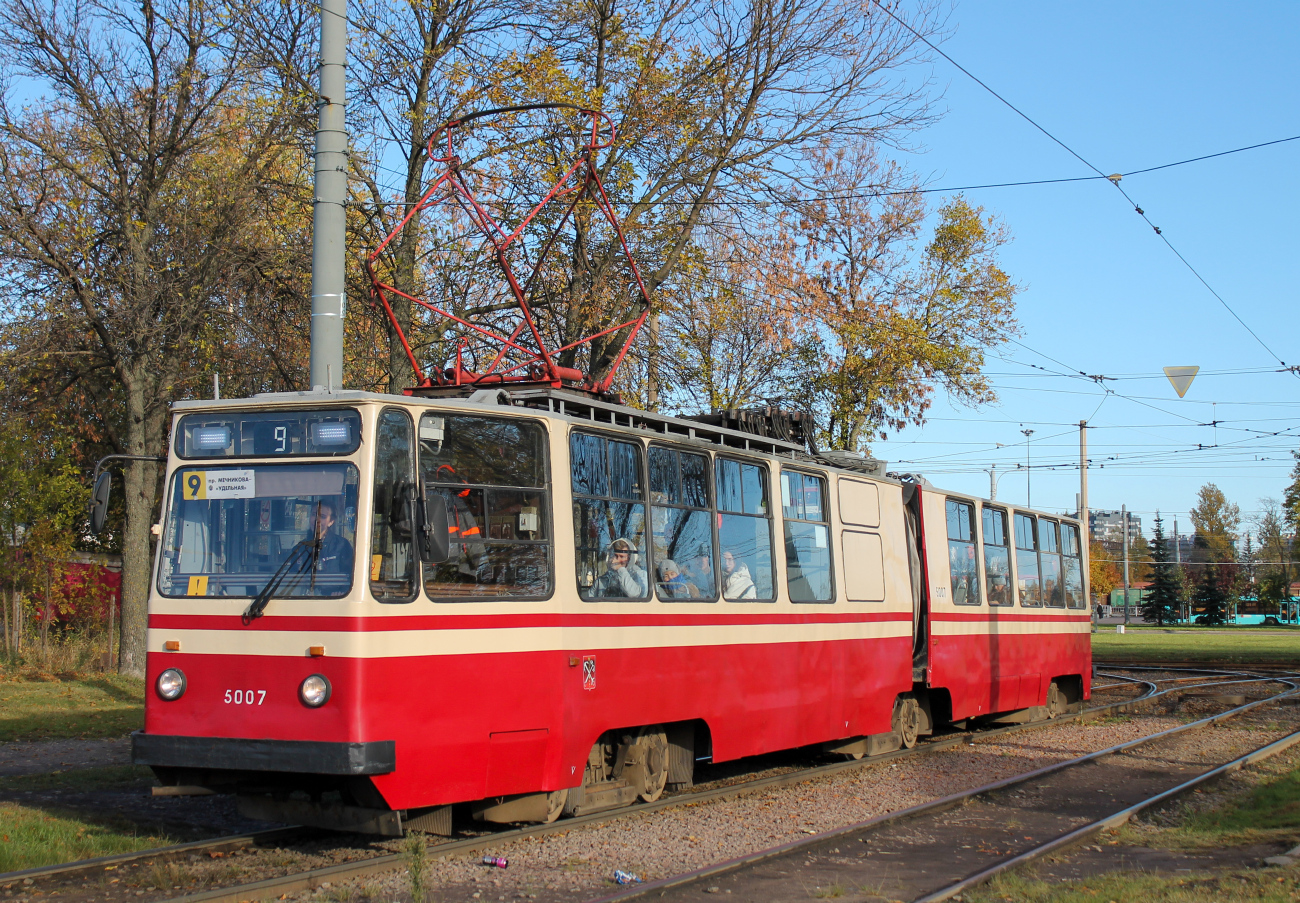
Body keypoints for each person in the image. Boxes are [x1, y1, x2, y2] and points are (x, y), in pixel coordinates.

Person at [313, 499, 354, 575]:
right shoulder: (300, 548)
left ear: (331, 521)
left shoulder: (342, 545)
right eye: (313, 514)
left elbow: (350, 576)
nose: (317, 520)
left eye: (322, 516)